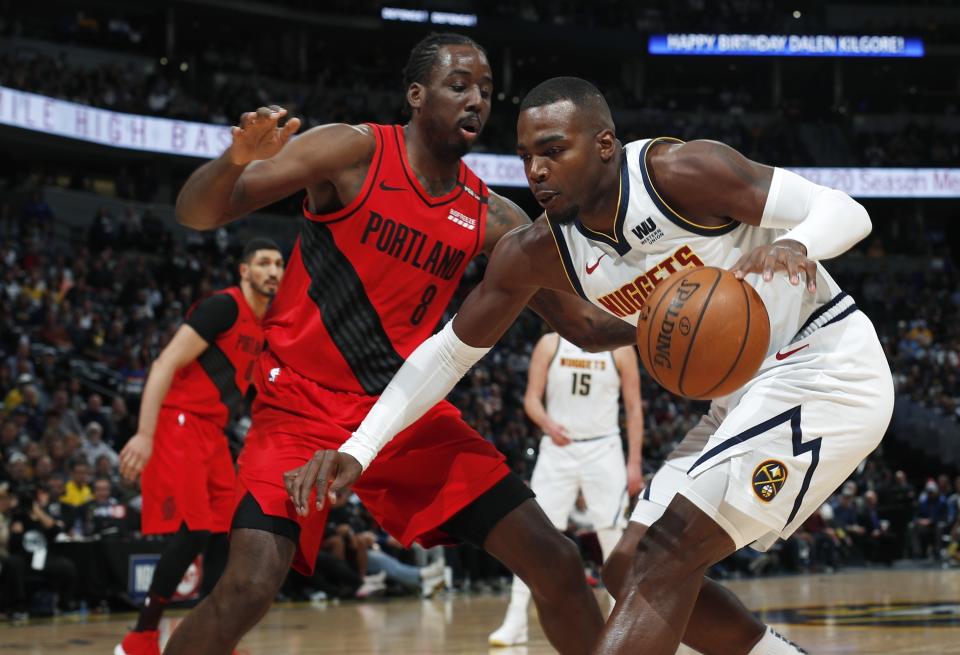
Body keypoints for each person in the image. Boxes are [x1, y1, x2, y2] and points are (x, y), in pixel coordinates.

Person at [319, 77, 894, 655]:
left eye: (551, 150)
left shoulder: (679, 173)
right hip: (739, 397)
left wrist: (798, 245)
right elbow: (449, 351)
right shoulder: (539, 250)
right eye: (525, 158)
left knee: (669, 551)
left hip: (822, 367)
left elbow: (844, 209)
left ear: (603, 145)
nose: (536, 171)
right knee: (625, 568)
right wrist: (360, 447)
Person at [163, 34, 634, 655]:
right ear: (416, 95)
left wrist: (675, 313)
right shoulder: (352, 150)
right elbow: (196, 213)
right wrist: (233, 160)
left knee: (557, 562)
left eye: (486, 91)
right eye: (459, 85)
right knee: (248, 587)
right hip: (300, 407)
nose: (477, 100)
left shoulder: (494, 218)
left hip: (401, 412)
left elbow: (586, 328)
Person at [115, 238, 284, 655]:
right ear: (244, 271)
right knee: (195, 531)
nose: (274, 271)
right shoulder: (223, 308)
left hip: (212, 432)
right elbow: (164, 363)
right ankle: (140, 638)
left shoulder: (267, 327)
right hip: (179, 423)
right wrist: (144, 434)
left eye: (279, 264)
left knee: (230, 536)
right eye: (263, 263)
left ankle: (214, 640)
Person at [489, 333, 643, 646]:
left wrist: (634, 462)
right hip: (558, 449)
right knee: (534, 537)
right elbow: (531, 399)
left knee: (612, 535)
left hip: (604, 447)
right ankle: (516, 619)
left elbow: (633, 407)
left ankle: (620, 617)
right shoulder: (549, 343)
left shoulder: (620, 348)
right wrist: (548, 423)